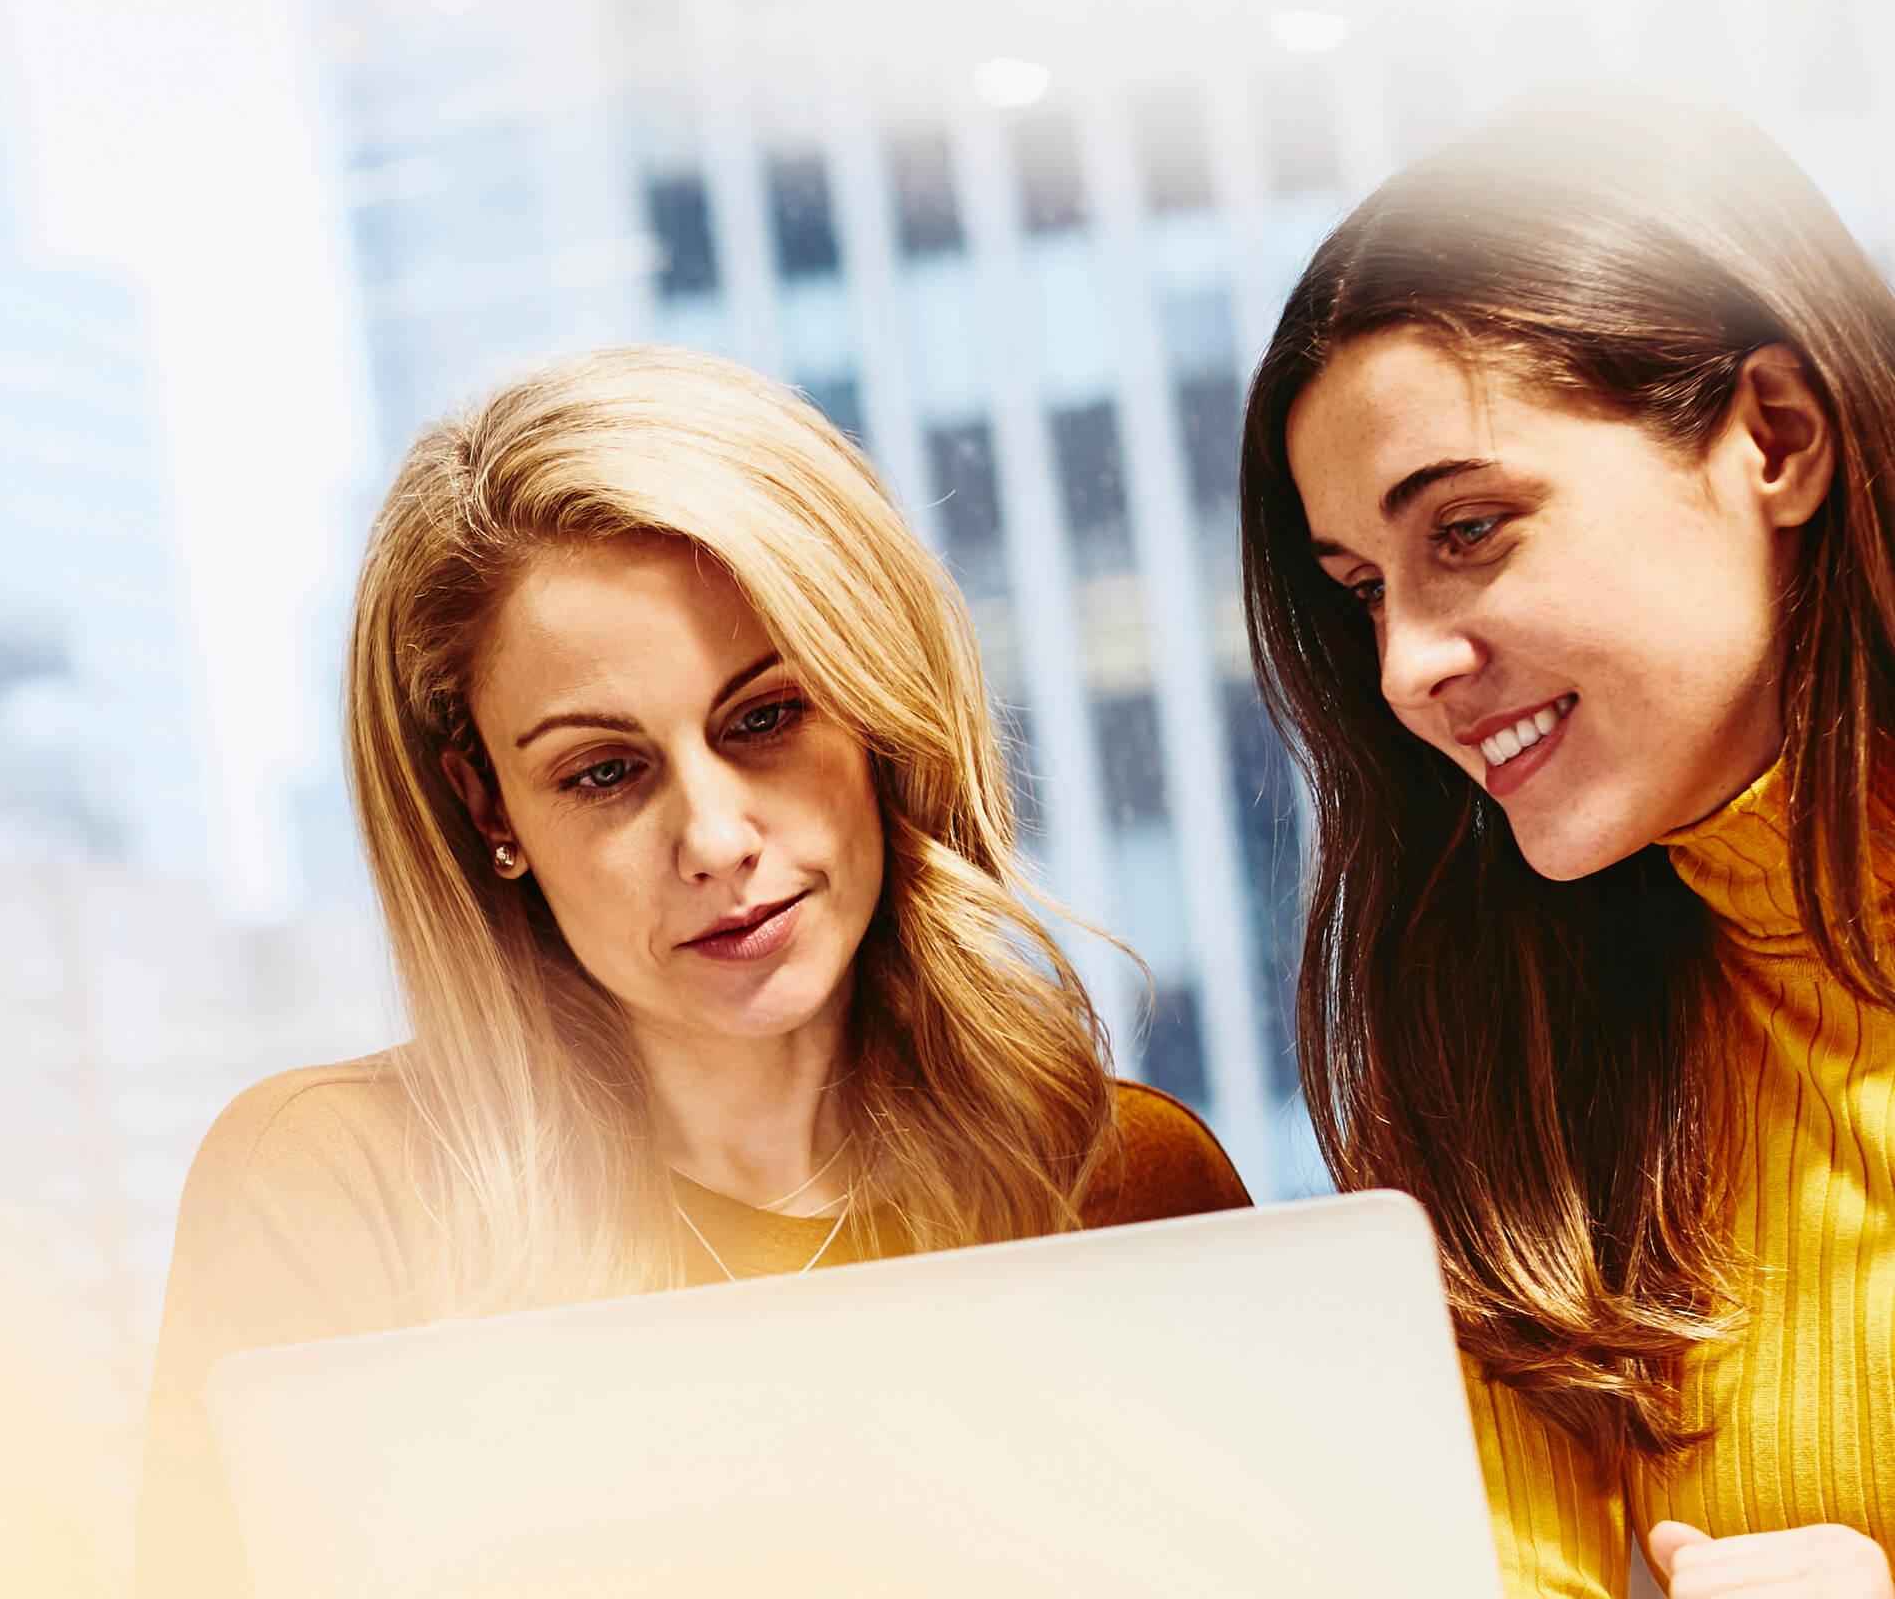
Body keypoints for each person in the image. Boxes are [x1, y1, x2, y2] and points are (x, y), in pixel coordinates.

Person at [137, 345, 1249, 1596]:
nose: (717, 841)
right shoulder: (344, 1189)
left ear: (878, 713)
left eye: (767, 717)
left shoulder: (1120, 1182)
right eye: (604, 771)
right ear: (488, 804)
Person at [1242, 96, 1895, 1599]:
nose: (1405, 666)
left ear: (1777, 440)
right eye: (1360, 588)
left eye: (1466, 528)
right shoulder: (1507, 1080)